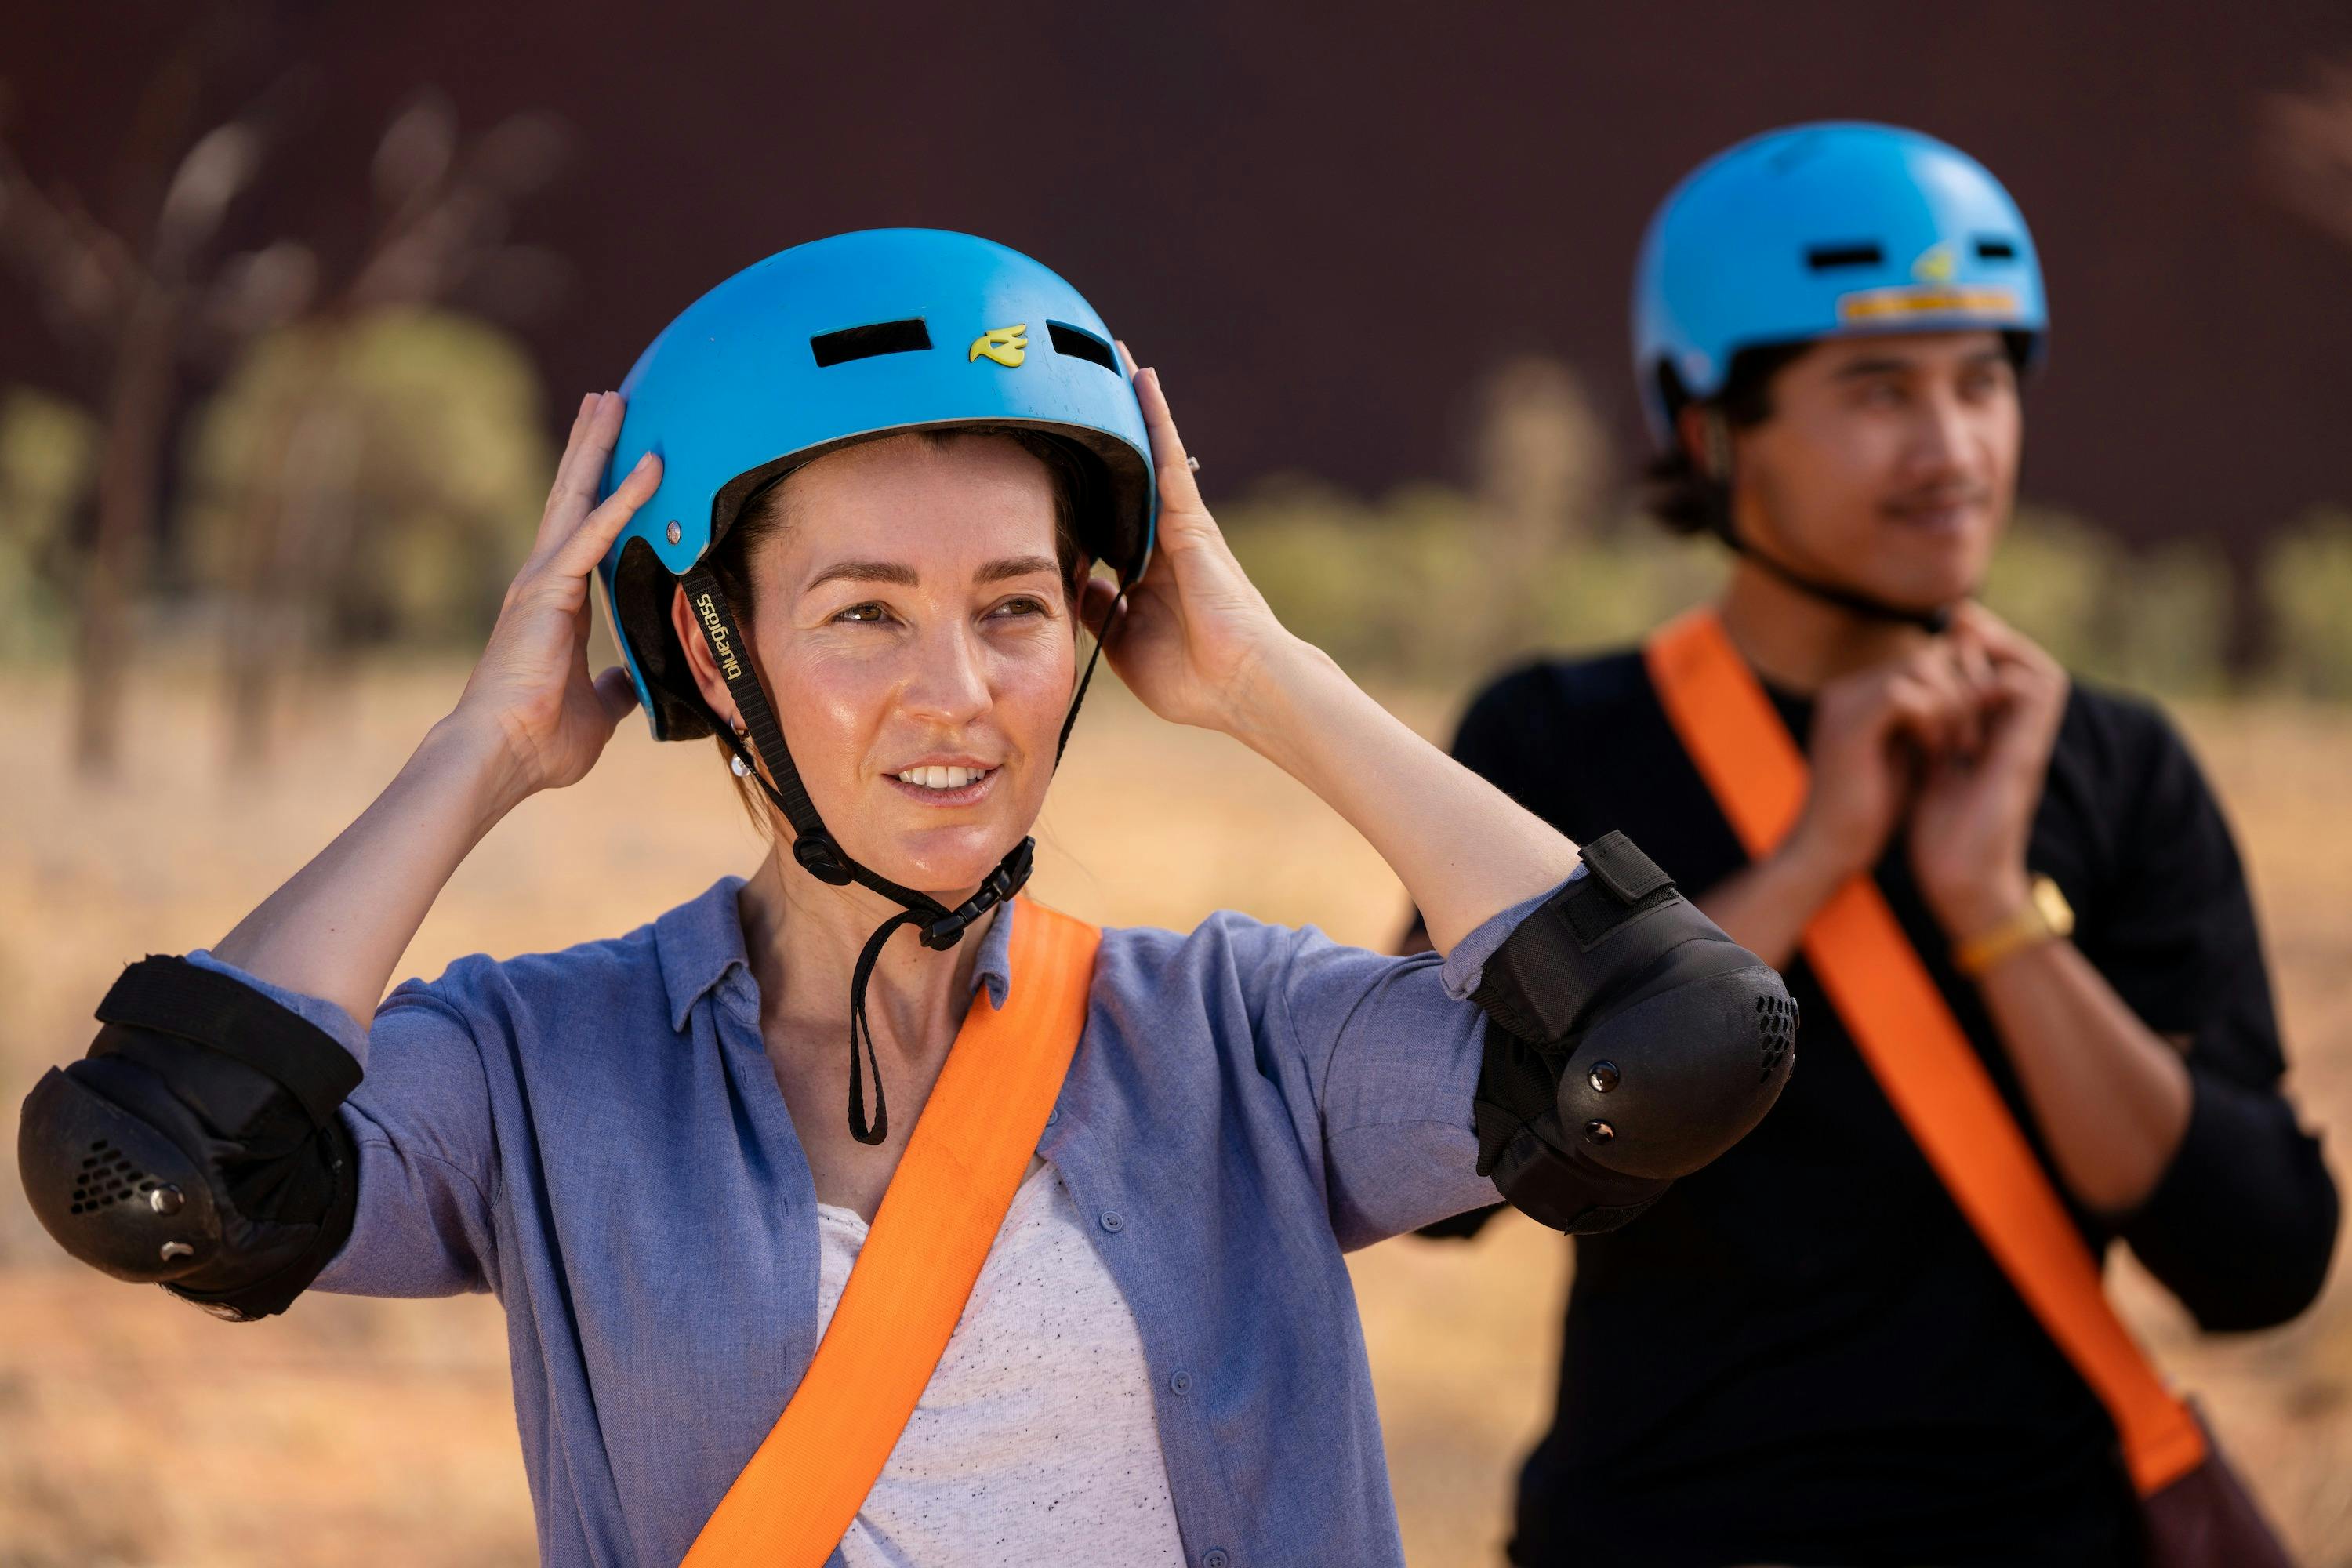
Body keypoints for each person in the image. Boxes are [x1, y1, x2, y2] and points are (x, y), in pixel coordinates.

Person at [19, 230, 1790, 1568]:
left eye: (1017, 606)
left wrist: (1263, 674)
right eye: (864, 609)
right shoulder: (541, 1069)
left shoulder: (1243, 1040)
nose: (961, 692)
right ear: (715, 647)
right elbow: (153, 1171)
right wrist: (482, 750)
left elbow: (1679, 1053)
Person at [1414, 124, 2339, 1567]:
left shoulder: (2111, 763)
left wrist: (1993, 907)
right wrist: (1809, 857)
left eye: (1984, 382)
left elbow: (2258, 1261)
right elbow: (1440, 1172)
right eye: (1878, 389)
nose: (1954, 447)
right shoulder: (1559, 743)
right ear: (1712, 429)